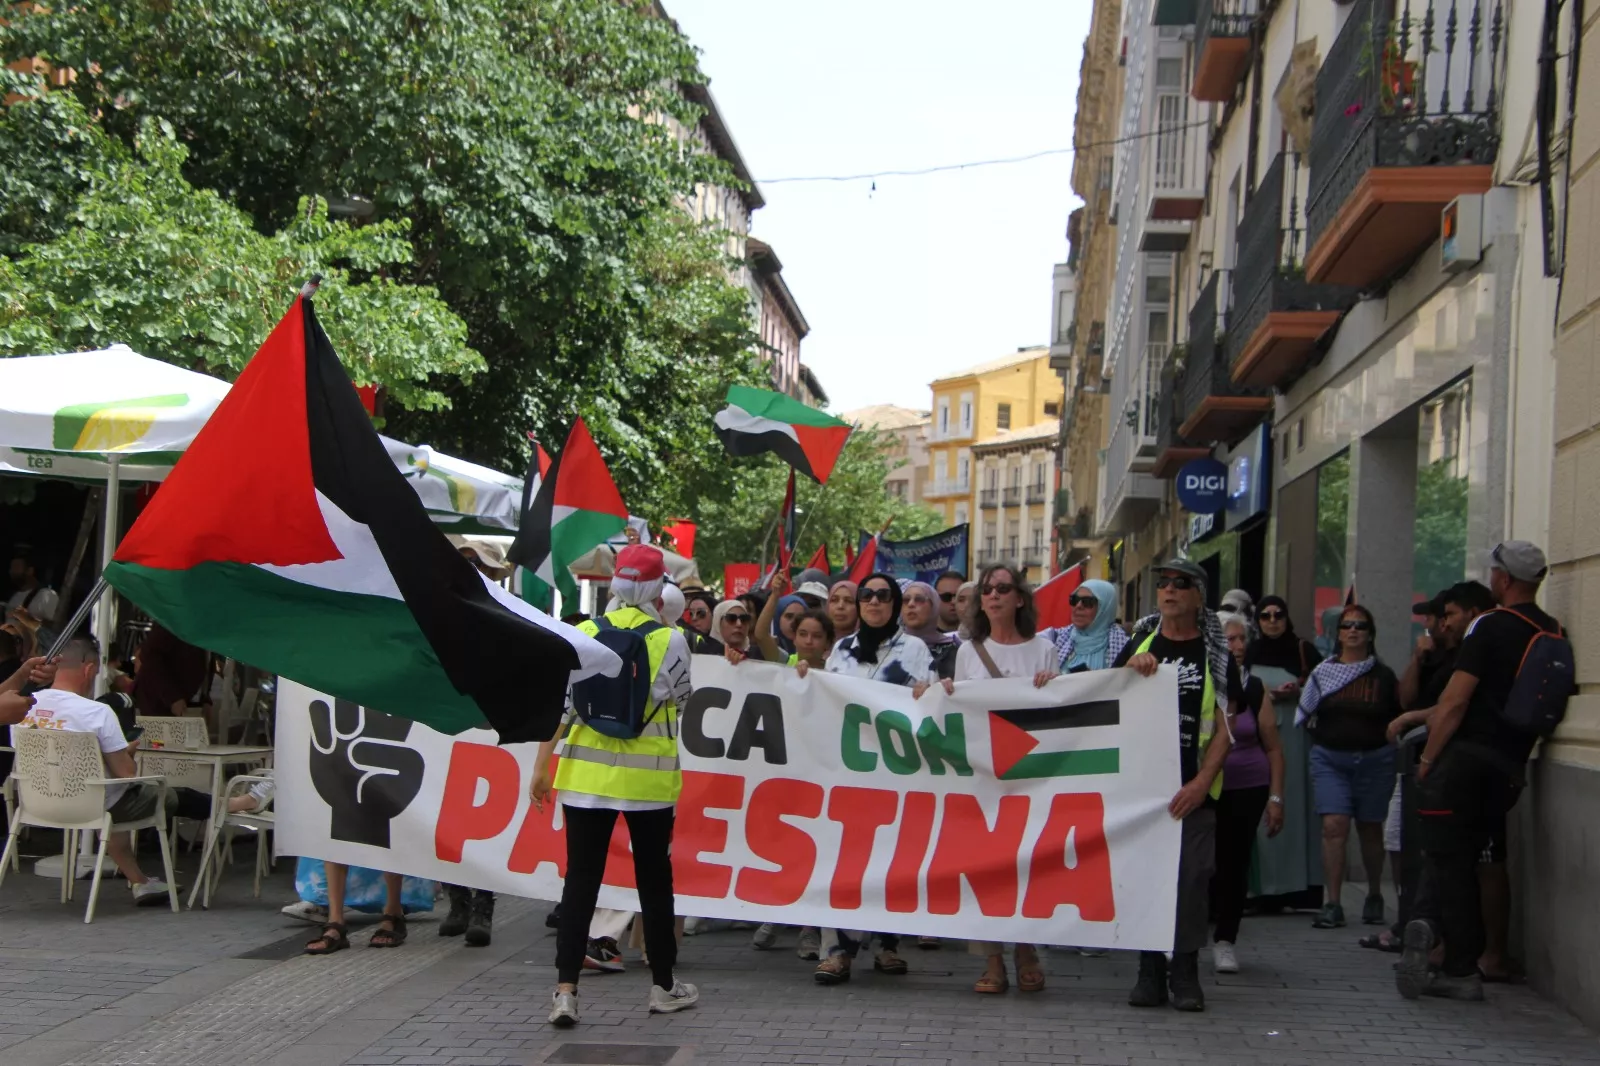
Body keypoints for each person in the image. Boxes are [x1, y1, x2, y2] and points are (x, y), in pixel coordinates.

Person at [531, 543, 697, 1026]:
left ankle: (565, 992)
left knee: (580, 878)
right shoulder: (671, 640)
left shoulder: (582, 632)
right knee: (654, 881)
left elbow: (562, 706)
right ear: (658, 588)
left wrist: (541, 767)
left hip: (583, 775)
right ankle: (664, 986)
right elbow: (682, 699)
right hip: (649, 783)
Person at [1401, 542, 1562, 1002]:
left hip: (1466, 762)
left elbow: (1455, 702)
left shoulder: (1490, 626)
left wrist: (1429, 760)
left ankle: (1457, 964)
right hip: (1510, 766)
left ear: (1503, 580)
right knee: (1469, 857)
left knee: (1448, 861)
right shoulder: (1550, 628)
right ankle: (1431, 932)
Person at [1114, 558, 1240, 1012]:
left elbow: (1227, 724)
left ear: (1199, 596)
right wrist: (1130, 667)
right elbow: (1106, 698)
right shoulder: (1139, 642)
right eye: (1163, 583)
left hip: (1194, 791)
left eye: (1180, 584)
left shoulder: (1217, 655)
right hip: (1143, 790)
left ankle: (1185, 971)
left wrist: (1202, 782)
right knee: (1146, 879)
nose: (1169, 591)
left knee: (1190, 883)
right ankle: (1149, 970)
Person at [926, 564, 1056, 994]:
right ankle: (994, 960)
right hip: (982, 774)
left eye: (1003, 588)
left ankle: (1026, 950)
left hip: (1029, 773)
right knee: (985, 866)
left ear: (1020, 598)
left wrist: (1053, 685)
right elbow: (960, 707)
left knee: (1028, 862)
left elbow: (1060, 709)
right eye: (987, 589)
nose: (994, 595)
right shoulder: (968, 651)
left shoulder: (1044, 649)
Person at [798, 573, 932, 984]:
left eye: (883, 595)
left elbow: (926, 704)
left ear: (894, 603)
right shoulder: (841, 649)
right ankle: (837, 951)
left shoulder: (914, 648)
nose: (874, 601)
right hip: (848, 772)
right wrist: (804, 676)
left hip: (895, 772)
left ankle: (888, 945)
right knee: (845, 856)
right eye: (866, 595)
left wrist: (931, 692)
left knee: (890, 855)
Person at [12, 636, 213, 905]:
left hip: (36, 804)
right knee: (169, 795)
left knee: (110, 798)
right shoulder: (97, 712)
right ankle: (233, 804)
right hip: (95, 806)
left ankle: (139, 881)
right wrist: (128, 751)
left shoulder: (21, 706)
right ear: (89, 668)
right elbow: (127, 773)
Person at [1368, 581, 1493, 954]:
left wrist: (1427, 758)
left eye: (1440, 618)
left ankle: (1436, 942)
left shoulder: (1468, 654)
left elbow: (1451, 707)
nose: (1436, 627)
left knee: (1440, 852)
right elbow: (1405, 698)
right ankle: (1410, 919)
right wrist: (1418, 659)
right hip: (1419, 761)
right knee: (1402, 839)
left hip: (1442, 762)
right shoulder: (1434, 655)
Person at [1297, 603, 1402, 931]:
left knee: (1370, 827)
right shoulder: (1323, 673)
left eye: (1360, 625)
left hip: (1375, 759)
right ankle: (1333, 902)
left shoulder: (1383, 676)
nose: (1353, 630)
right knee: (1334, 826)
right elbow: (1307, 712)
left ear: (1370, 634)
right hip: (1331, 758)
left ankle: (1373, 894)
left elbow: (1397, 713)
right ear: (1338, 634)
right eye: (1347, 626)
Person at [1211, 616, 1286, 974]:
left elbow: (1274, 749)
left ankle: (1226, 940)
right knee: (1199, 862)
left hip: (1248, 786)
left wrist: (1276, 798)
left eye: (1241, 640)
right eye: (1229, 640)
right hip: (1205, 786)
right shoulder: (1202, 683)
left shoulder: (1254, 688)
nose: (1237, 647)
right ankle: (1186, 936)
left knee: (1234, 863)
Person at [131, 622, 208, 718]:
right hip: (159, 700)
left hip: (188, 699)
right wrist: (173, 698)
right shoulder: (171, 620)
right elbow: (150, 656)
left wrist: (207, 698)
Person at [1052, 579, 1128, 673]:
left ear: (1104, 609)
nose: (1078, 606)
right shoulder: (1056, 639)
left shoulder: (1125, 647)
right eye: (1074, 600)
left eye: (1087, 602)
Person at [901, 580, 960, 680]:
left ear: (934, 606)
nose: (911, 604)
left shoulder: (953, 650)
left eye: (919, 599)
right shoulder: (890, 647)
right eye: (906, 600)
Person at [6, 551, 59, 626]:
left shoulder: (47, 595)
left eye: (16, 567)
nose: (11, 571)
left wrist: (27, 619)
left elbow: (53, 628)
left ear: (29, 571)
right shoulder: (14, 597)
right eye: (11, 568)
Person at [679, 590, 723, 655]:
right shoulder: (684, 643)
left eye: (700, 613)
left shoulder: (729, 645)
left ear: (714, 615)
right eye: (691, 614)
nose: (694, 618)